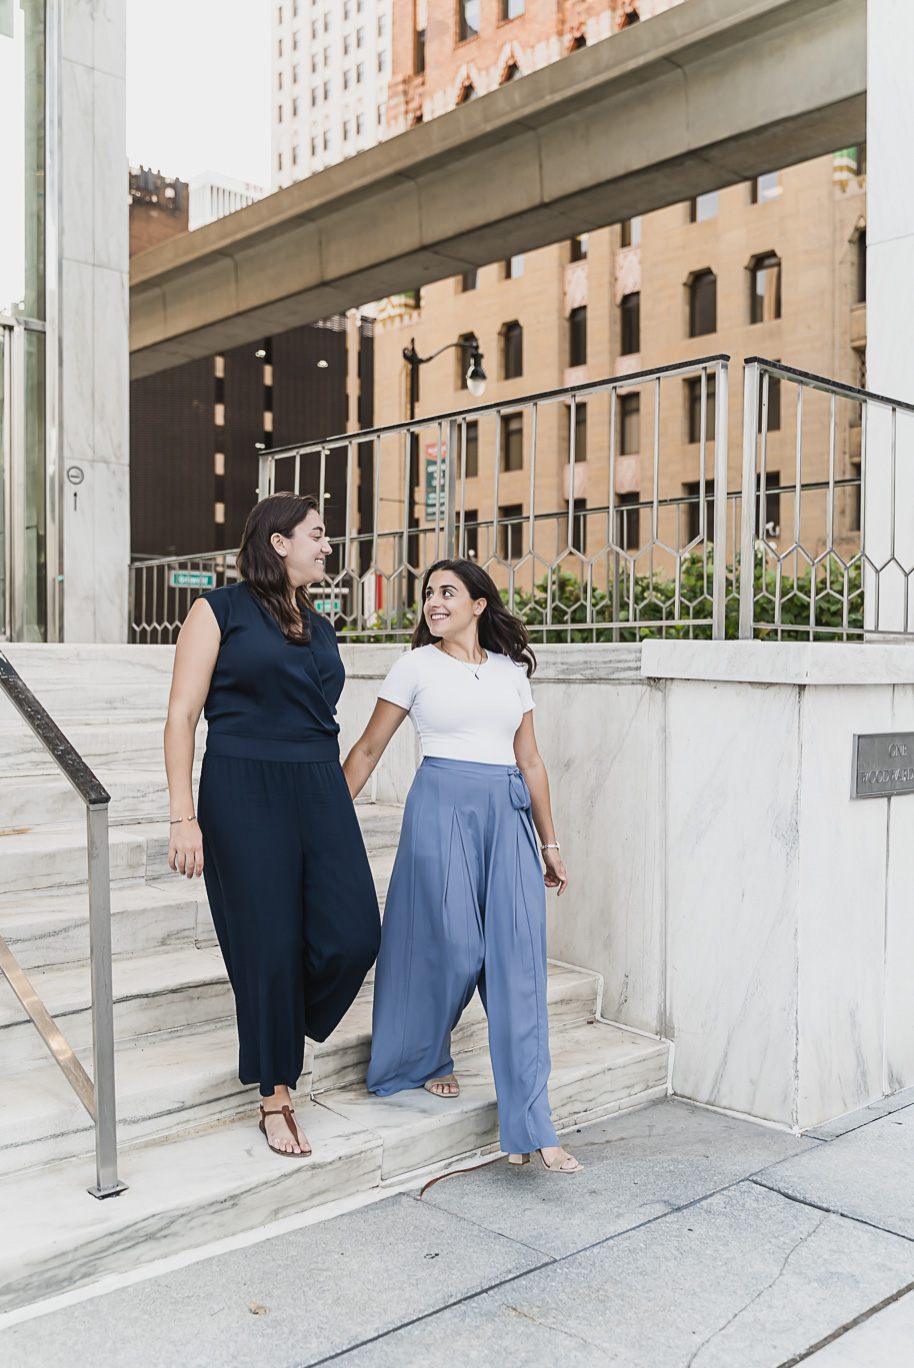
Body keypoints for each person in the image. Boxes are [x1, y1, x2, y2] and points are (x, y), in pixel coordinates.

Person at [343, 559, 581, 1173]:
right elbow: (369, 748)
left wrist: (550, 844)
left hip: (508, 820)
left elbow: (531, 764)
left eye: (447, 592)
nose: (432, 602)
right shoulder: (414, 667)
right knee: (452, 946)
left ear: (479, 604)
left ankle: (533, 1120)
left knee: (518, 965)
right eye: (427, 594)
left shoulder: (509, 675)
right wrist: (327, 824)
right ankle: (423, 1056)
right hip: (440, 810)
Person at [164, 493, 381, 1158]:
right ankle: (275, 1093)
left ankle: (279, 1017)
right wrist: (183, 816)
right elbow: (181, 716)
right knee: (271, 945)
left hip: (318, 786)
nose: (327, 547)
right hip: (242, 785)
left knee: (355, 934)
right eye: (317, 534)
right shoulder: (217, 610)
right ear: (278, 541)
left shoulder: (320, 624)